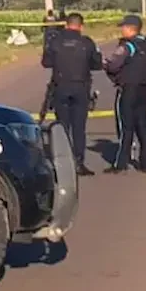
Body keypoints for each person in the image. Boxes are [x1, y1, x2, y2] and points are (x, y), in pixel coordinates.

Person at [40, 12, 101, 176]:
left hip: (60, 86)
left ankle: (61, 163)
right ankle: (79, 163)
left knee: (62, 126)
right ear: (81, 26)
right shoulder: (87, 42)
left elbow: (46, 63)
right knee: (79, 128)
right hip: (81, 87)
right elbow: (97, 64)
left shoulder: (55, 41)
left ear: (66, 24)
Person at [103, 14, 146, 174]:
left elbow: (113, 65)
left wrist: (106, 65)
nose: (121, 30)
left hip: (128, 90)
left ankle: (121, 164)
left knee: (125, 127)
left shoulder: (127, 46)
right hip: (144, 90)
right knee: (143, 126)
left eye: (123, 27)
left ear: (130, 28)